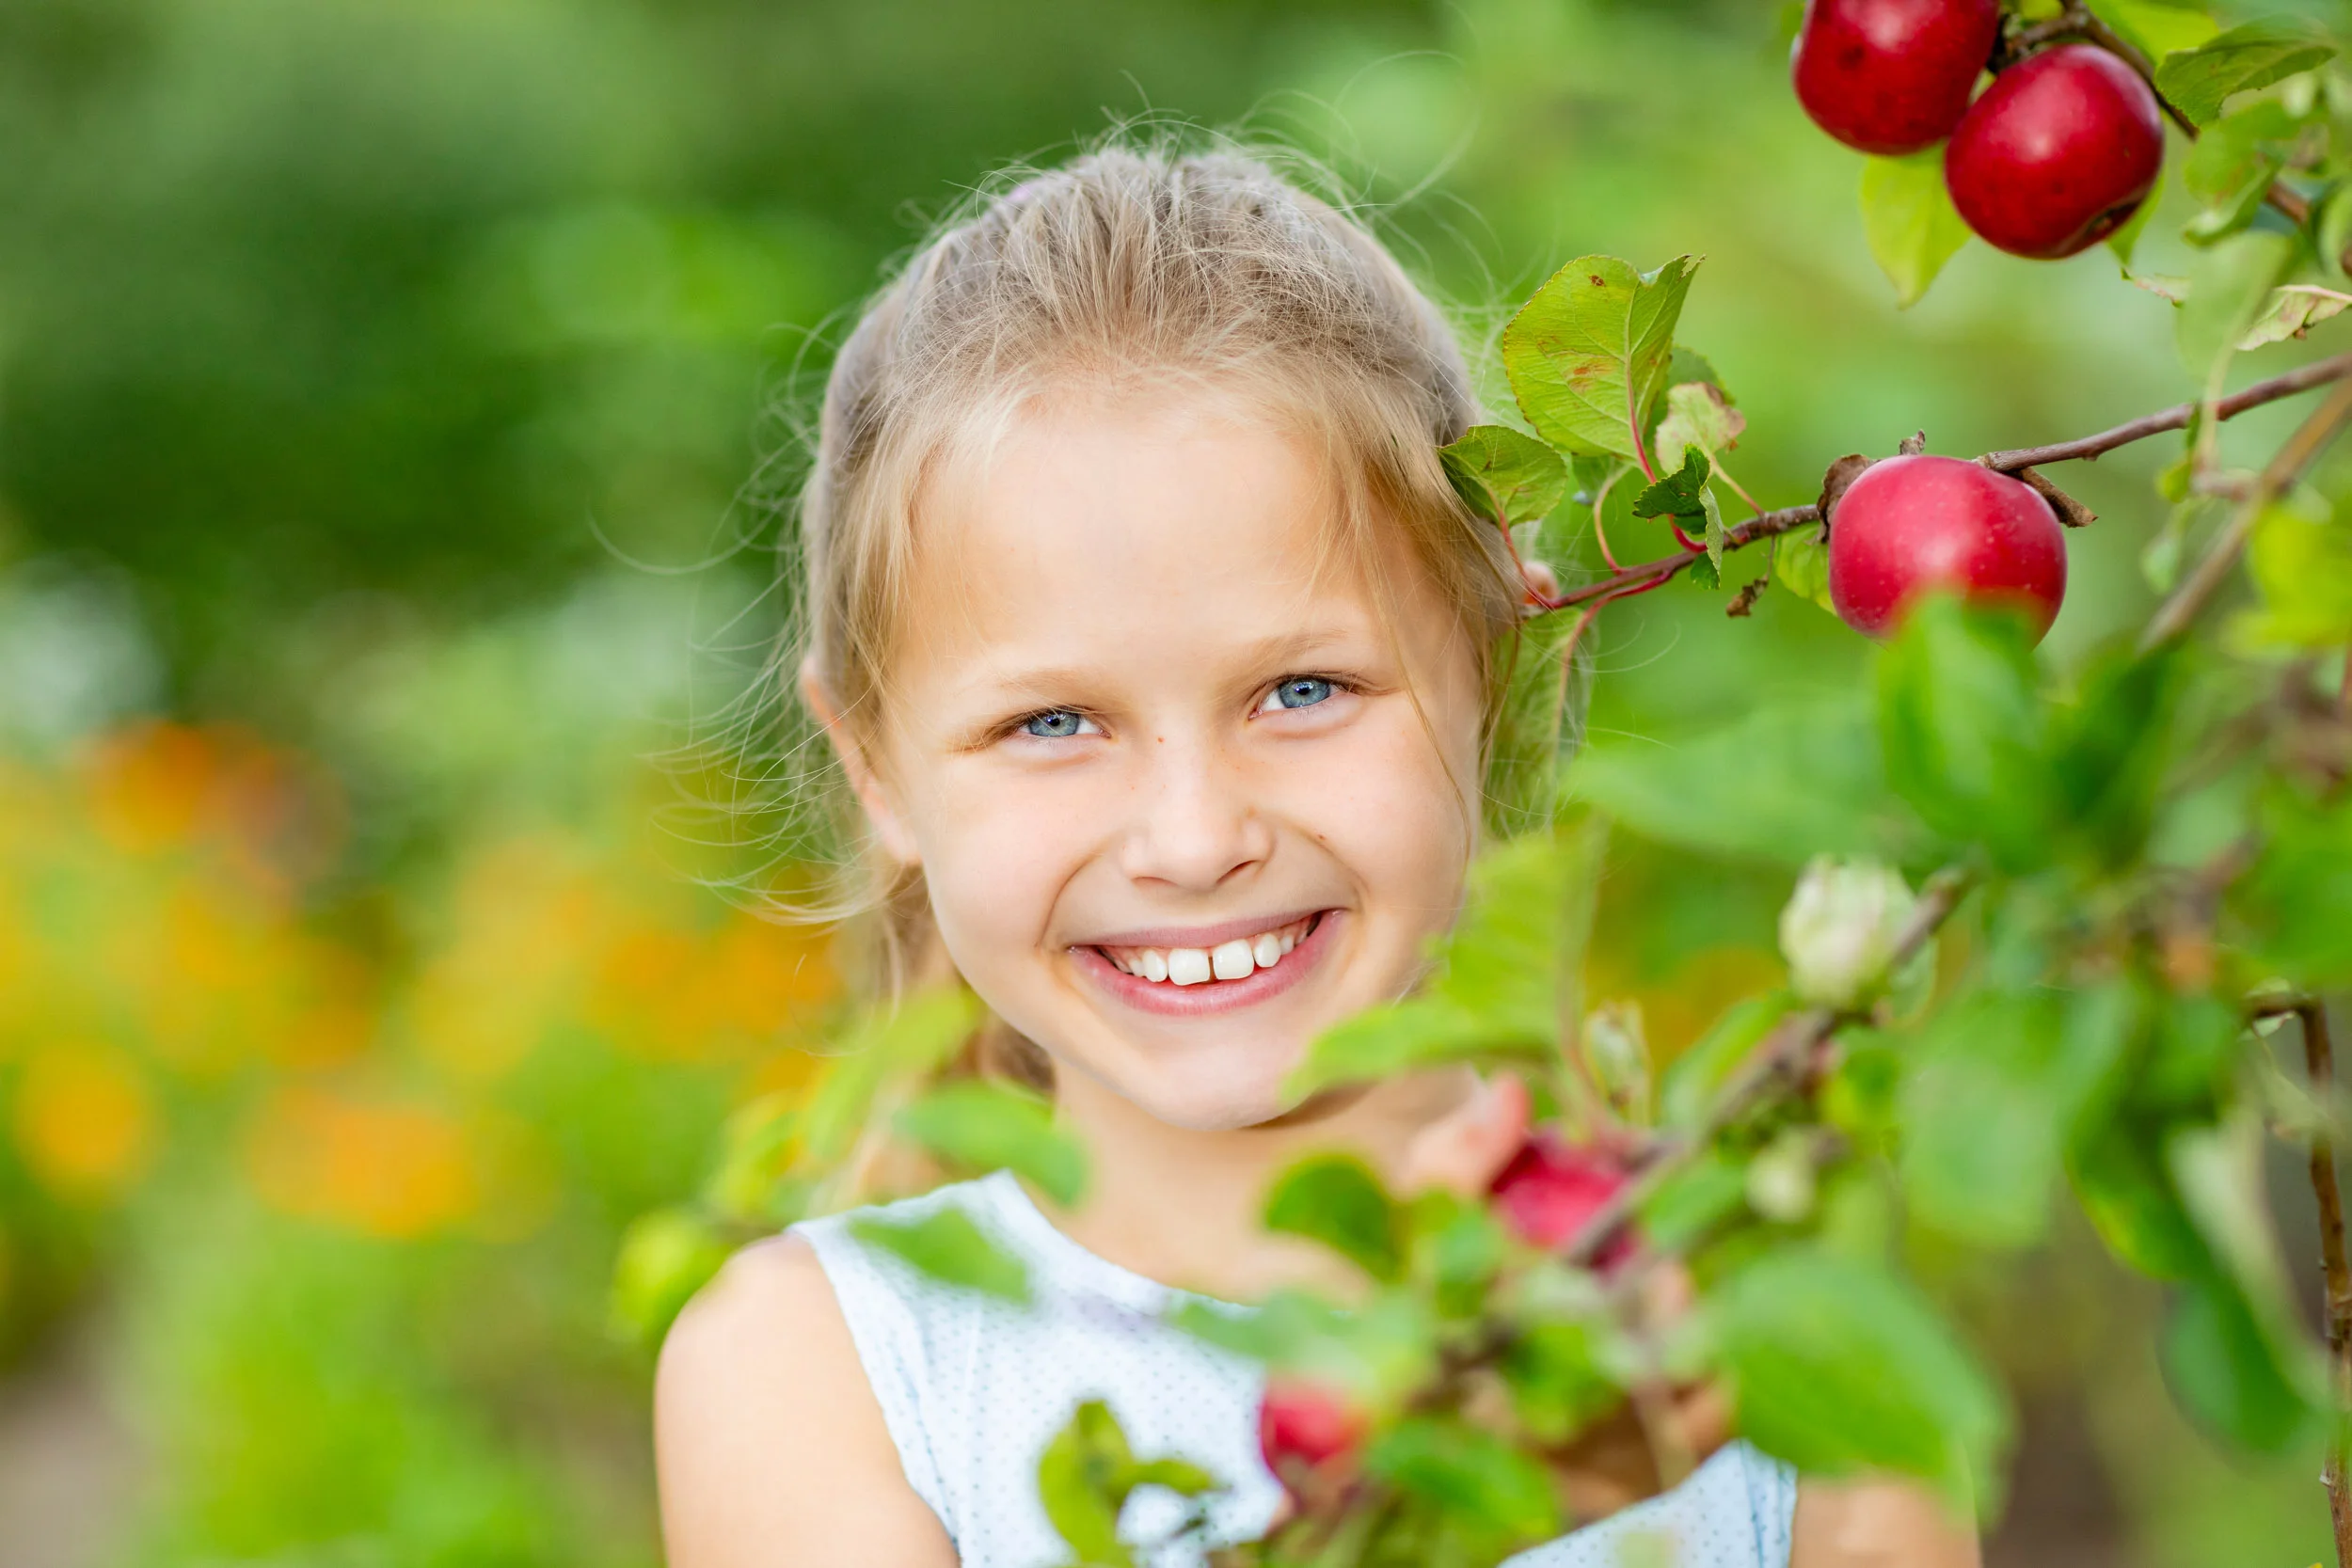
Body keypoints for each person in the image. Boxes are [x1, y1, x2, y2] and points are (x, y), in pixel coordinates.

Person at [654, 140, 1982, 1568]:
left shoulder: (1776, 1356)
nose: (1195, 837)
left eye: (1302, 692)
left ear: (1506, 669)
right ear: (877, 772)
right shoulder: (820, 1369)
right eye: (1053, 721)